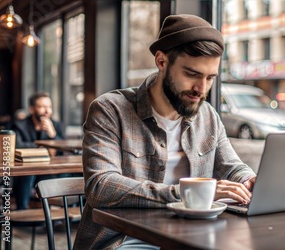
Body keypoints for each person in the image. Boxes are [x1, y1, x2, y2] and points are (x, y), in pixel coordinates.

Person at [74, 14, 257, 249]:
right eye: (192, 74)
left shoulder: (207, 115)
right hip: (122, 241)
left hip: (190, 237)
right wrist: (186, 194)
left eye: (210, 78)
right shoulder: (110, 110)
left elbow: (231, 166)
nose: (201, 89)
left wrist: (250, 180)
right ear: (161, 61)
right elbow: (101, 186)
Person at [12, 92, 65, 209]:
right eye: (42, 107)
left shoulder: (56, 125)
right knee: (27, 173)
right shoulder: (19, 125)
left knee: (63, 173)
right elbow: (17, 146)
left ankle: (56, 216)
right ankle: (22, 213)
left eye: (49, 107)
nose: (47, 111)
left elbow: (62, 150)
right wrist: (42, 148)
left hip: (47, 169)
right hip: (26, 169)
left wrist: (52, 135)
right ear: (32, 109)